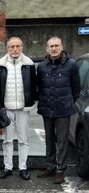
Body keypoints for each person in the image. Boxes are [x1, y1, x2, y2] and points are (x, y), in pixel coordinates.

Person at [36, 37, 80, 184]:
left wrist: (67, 102)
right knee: (49, 139)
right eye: (51, 46)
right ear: (47, 49)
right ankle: (50, 166)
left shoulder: (72, 65)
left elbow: (76, 88)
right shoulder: (41, 67)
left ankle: (60, 169)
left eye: (56, 46)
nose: (54, 48)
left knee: (62, 141)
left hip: (63, 109)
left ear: (61, 47)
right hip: (47, 108)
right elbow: (40, 88)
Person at [0, 37, 37, 181]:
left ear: (22, 48)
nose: (15, 49)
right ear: (7, 49)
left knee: (23, 139)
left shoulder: (29, 65)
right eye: (12, 47)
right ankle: (8, 167)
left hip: (23, 108)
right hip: (6, 108)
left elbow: (34, 85)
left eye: (18, 46)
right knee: (7, 140)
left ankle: (23, 168)